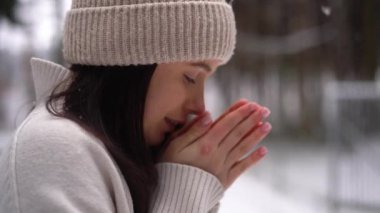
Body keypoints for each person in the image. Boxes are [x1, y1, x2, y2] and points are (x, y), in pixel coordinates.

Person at [0, 0, 272, 212]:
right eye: (191, 77)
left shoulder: (116, 155)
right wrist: (181, 195)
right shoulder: (53, 151)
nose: (199, 107)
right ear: (132, 59)